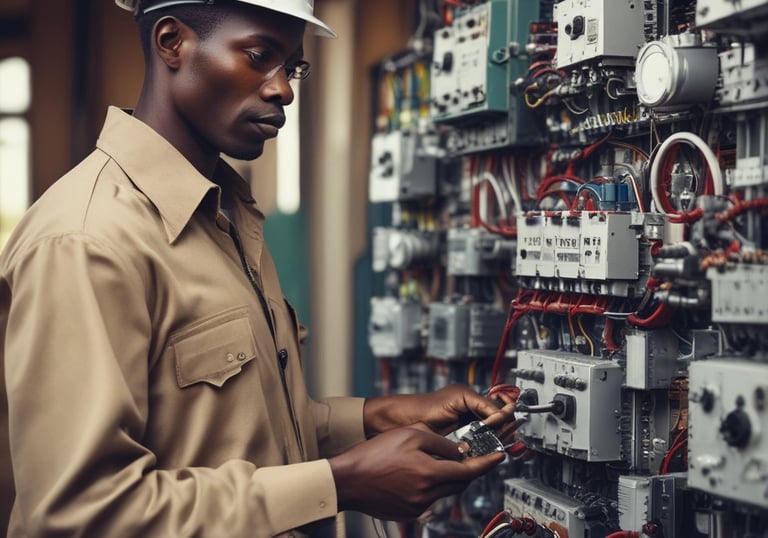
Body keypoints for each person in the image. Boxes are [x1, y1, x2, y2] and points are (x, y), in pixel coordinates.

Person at [0, 0, 518, 536]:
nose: (284, 90)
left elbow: (240, 432)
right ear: (172, 42)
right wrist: (341, 484)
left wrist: (380, 418)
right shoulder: (86, 241)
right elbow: (79, 513)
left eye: (292, 66)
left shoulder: (224, 213)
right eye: (258, 55)